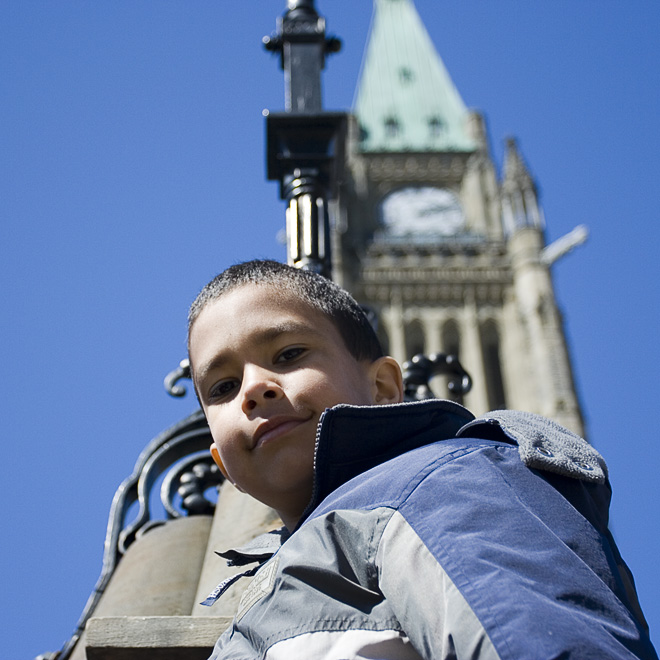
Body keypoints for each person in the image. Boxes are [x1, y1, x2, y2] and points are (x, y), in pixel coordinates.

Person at [187, 259, 657, 660]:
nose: (253, 389)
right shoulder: (295, 566)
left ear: (385, 388)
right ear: (222, 465)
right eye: (223, 388)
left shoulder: (442, 486)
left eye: (289, 354)